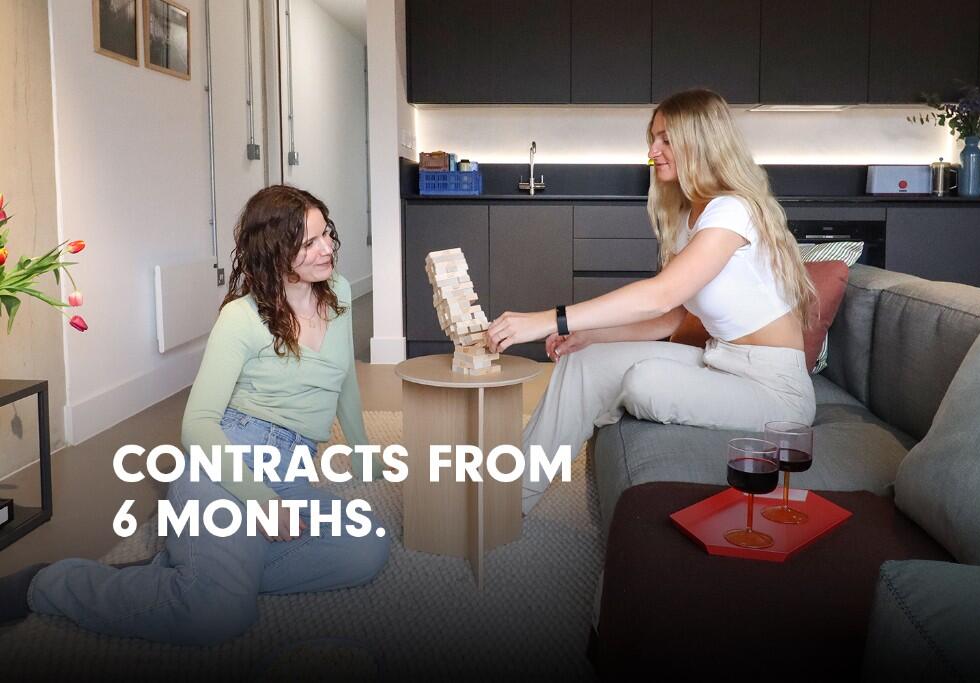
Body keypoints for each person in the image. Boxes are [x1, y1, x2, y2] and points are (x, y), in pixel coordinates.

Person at [0, 185, 389, 643]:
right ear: (274, 251)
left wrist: (362, 451)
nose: (326, 249)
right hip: (224, 464)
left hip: (292, 471)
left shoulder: (338, 292)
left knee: (366, 547)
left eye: (326, 234)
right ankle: (47, 583)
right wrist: (261, 501)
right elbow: (198, 425)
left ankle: (204, 569)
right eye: (309, 243)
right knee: (218, 615)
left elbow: (343, 377)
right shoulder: (242, 318)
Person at [485, 90, 818, 515]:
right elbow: (672, 317)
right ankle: (508, 496)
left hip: (774, 391)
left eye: (666, 140)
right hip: (721, 360)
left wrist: (550, 320)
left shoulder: (733, 211)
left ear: (701, 142)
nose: (652, 152)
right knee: (584, 360)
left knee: (646, 381)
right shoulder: (690, 216)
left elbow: (660, 296)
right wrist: (591, 336)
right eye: (653, 139)